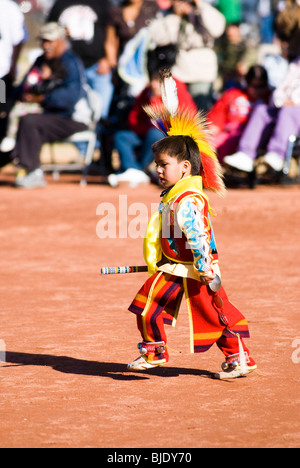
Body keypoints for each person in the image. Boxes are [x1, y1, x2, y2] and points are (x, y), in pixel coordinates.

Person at [126, 70, 257, 380]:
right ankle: (154, 350)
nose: (157, 170)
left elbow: (197, 235)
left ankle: (240, 357)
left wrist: (204, 265)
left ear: (185, 167)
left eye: (163, 165)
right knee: (147, 307)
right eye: (157, 164)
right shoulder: (177, 193)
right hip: (173, 267)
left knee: (213, 314)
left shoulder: (187, 200)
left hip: (197, 268)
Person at [12, 22, 92, 189]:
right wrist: (24, 93)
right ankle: (24, 166)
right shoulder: (41, 61)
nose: (45, 45)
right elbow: (23, 87)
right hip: (50, 116)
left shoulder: (71, 62)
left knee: (30, 122)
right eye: (43, 41)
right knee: (23, 121)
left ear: (61, 41)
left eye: (50, 41)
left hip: (73, 117)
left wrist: (41, 98)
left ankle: (33, 172)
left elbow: (70, 98)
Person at [108, 69, 197, 187]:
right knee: (121, 137)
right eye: (153, 81)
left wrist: (155, 102)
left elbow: (186, 120)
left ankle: (137, 171)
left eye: (158, 82)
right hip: (145, 133)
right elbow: (134, 119)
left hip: (170, 137)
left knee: (155, 134)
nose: (154, 85)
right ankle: (134, 170)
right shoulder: (146, 93)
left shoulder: (178, 93)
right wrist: (145, 128)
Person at [223, 55, 300, 174]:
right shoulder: (295, 65)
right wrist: (280, 100)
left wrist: (293, 102)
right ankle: (245, 154)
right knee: (261, 110)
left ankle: (277, 154)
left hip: (294, 113)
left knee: (288, 111)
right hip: (282, 109)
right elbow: (279, 92)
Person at [147, 0, 226, 111]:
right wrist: (175, 16)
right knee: (178, 112)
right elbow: (158, 37)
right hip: (178, 71)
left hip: (201, 72)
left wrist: (198, 5)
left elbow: (217, 29)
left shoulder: (205, 9)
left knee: (201, 111)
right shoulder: (168, 14)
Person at [47, 0, 113, 120]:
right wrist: (49, 63)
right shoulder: (60, 4)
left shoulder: (102, 3)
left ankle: (99, 133)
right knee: (75, 110)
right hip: (67, 67)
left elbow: (110, 30)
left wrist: (107, 58)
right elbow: (49, 33)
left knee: (100, 111)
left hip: (96, 66)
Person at [0, 58, 68, 153]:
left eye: (43, 70)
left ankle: (11, 137)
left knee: (19, 112)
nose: (41, 72)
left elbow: (41, 92)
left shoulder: (50, 83)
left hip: (41, 109)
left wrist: (33, 87)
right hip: (33, 106)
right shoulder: (42, 81)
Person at [208, 65, 270, 164]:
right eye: (254, 86)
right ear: (247, 83)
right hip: (226, 132)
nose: (257, 90)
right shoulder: (233, 94)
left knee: (230, 143)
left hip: (251, 137)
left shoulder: (270, 99)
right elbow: (217, 117)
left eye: (261, 86)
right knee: (209, 146)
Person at [0, 0, 27, 161]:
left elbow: (19, 39)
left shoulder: (9, 8)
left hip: (1, 75)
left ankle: (3, 158)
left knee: (2, 113)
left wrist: (12, 66)